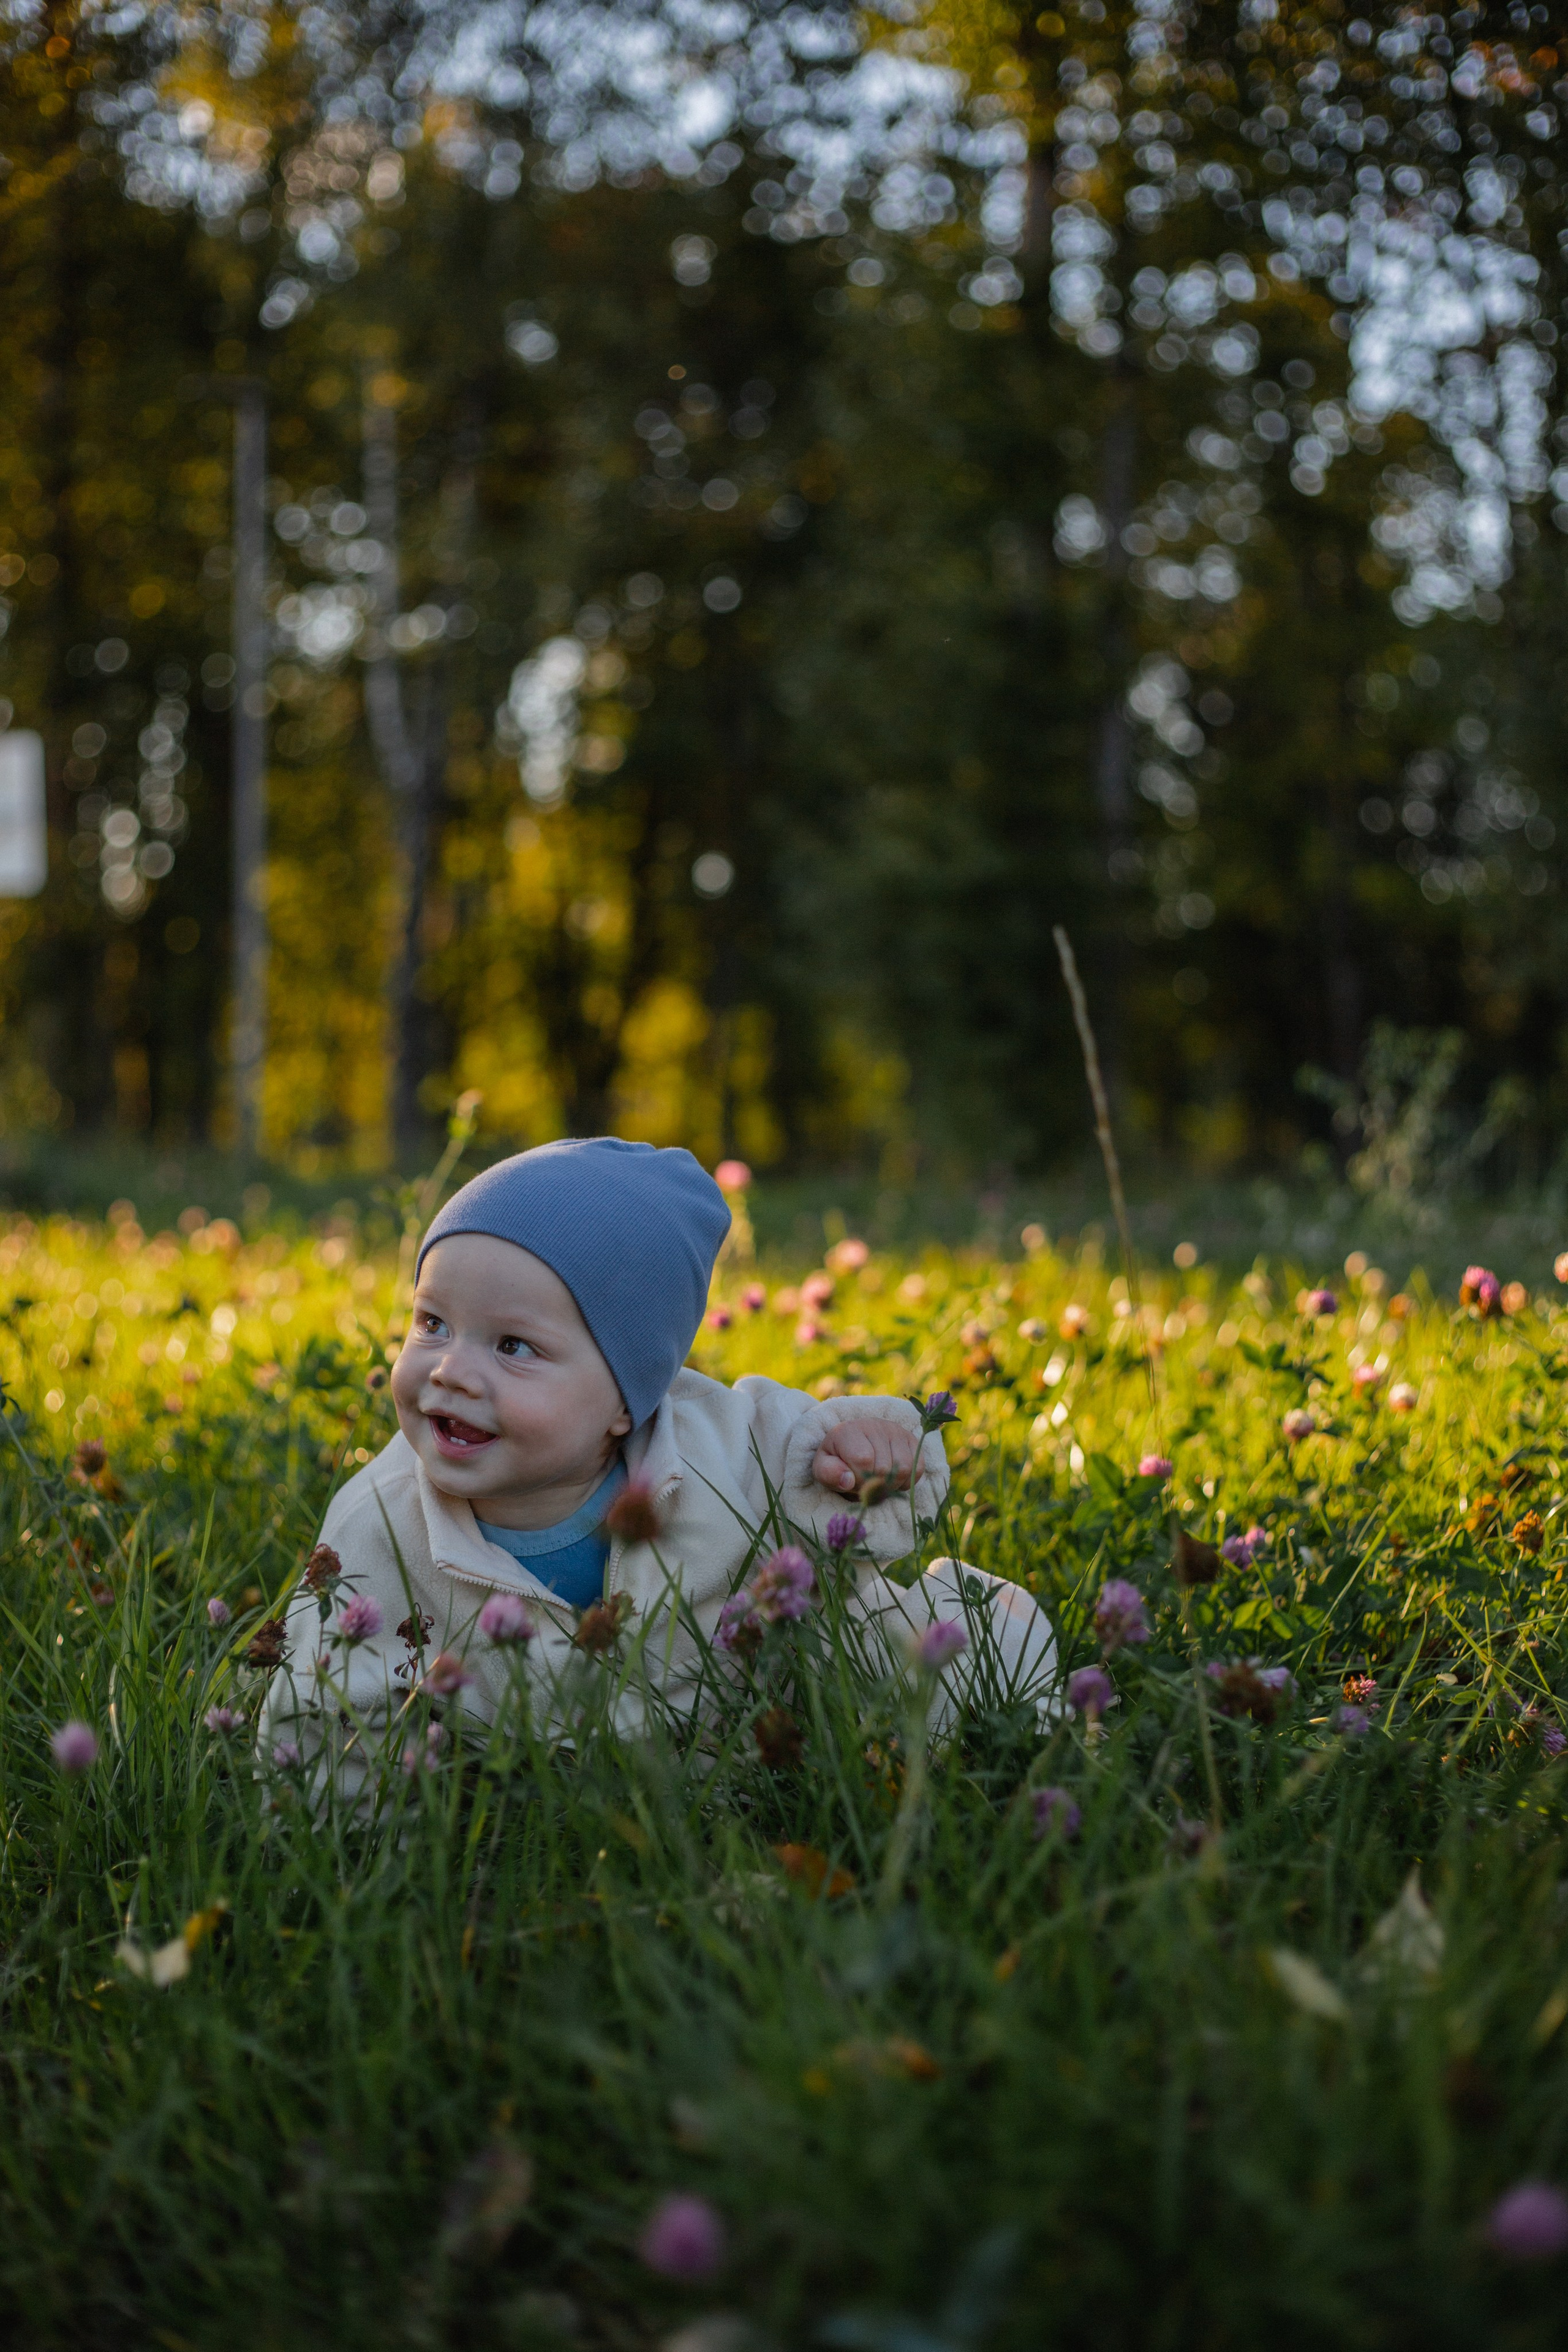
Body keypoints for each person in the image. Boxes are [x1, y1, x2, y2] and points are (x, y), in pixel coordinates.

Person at [258, 1138, 1055, 1793]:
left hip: (776, 1715)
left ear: (627, 1399)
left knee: (960, 1673)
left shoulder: (719, 1445)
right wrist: (342, 1833)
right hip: (566, 1781)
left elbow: (843, 1474)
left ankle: (1013, 1671)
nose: (451, 1370)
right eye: (432, 1323)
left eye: (513, 1346)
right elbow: (327, 1708)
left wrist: (876, 1450)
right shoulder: (379, 1525)